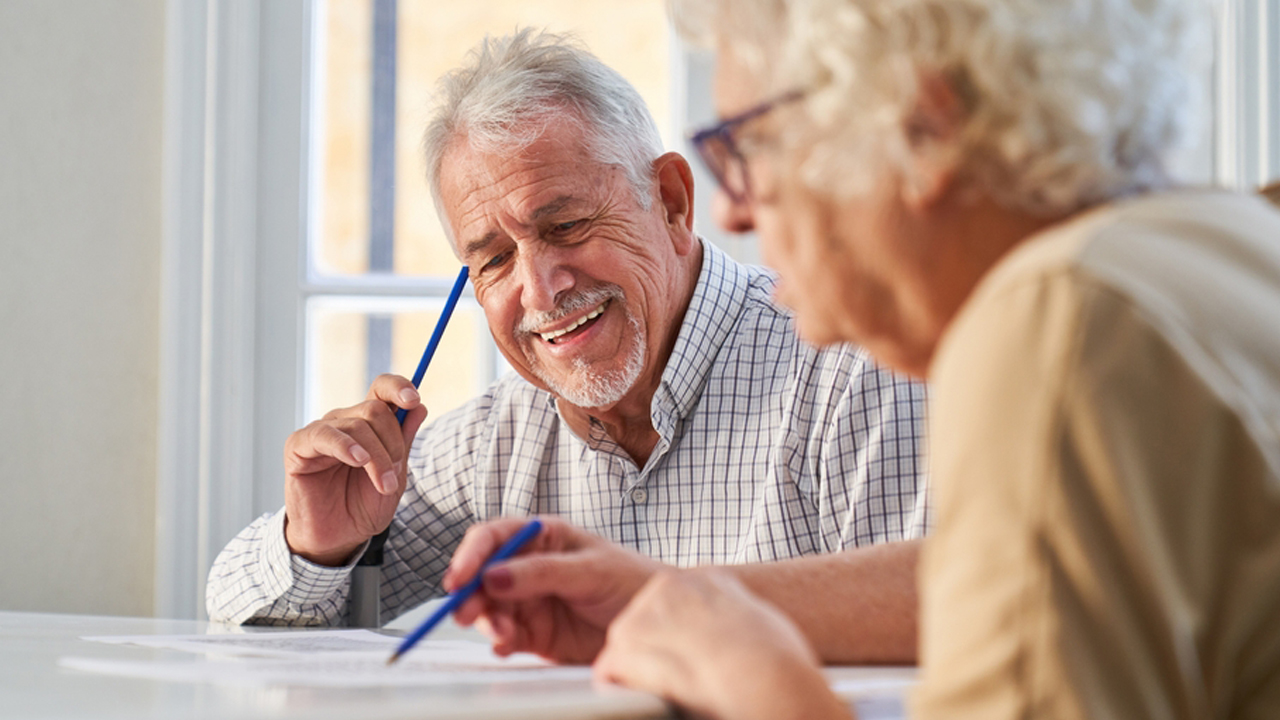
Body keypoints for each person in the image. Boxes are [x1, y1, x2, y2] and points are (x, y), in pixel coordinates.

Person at [449, 1, 1280, 718]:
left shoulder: (1054, 321)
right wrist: (672, 598)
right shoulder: (1220, 246)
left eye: (749, 145)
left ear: (921, 128)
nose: (733, 215)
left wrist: (763, 692)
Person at [205, 28, 929, 659]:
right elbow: (234, 611)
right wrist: (318, 545)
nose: (541, 289)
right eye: (492, 260)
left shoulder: (853, 377)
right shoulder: (500, 439)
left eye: (566, 226)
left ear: (672, 202)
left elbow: (948, 631)